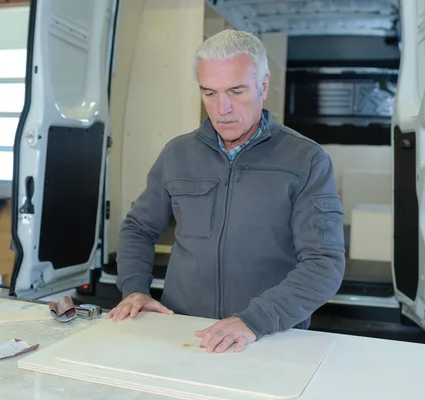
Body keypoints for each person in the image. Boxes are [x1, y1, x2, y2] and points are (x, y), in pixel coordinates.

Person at [106, 29, 345, 354]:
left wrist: (255, 320)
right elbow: (138, 228)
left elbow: (324, 262)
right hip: (183, 332)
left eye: (236, 91)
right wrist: (134, 288)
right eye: (209, 92)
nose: (222, 109)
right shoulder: (178, 154)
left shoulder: (306, 160)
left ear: (263, 85)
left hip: (268, 338)